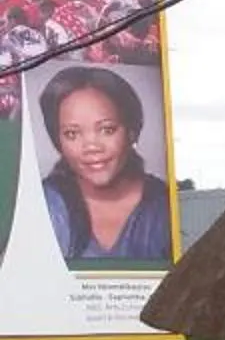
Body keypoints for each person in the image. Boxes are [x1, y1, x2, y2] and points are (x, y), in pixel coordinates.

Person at [37, 65, 172, 267]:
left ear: (132, 132)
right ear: (58, 142)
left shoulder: (163, 205)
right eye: (72, 134)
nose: (91, 147)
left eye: (107, 130)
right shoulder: (44, 203)